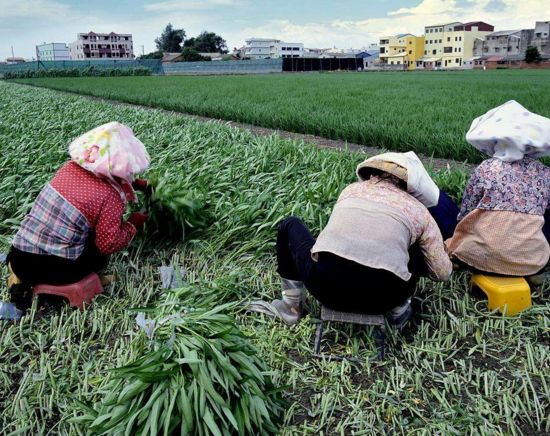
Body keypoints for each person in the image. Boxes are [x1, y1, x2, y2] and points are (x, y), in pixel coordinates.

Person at [267, 152, 453, 325]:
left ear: (373, 174)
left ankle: (291, 305)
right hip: (385, 298)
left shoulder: (350, 191)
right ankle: (399, 311)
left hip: (324, 288)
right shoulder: (419, 210)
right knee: (415, 243)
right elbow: (442, 273)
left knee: (290, 224)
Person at [6, 122, 151, 310]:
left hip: (19, 257)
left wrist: (135, 184)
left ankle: (20, 276)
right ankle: (82, 279)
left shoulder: (69, 168)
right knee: (99, 246)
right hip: (54, 270)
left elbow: (98, 178)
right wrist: (133, 224)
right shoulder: (110, 196)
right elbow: (109, 243)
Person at [445, 100, 550, 278]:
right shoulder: (544, 172)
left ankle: (469, 259)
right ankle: (531, 265)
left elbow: (467, 209)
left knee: (463, 237)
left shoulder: (486, 168)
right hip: (532, 263)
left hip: (480, 259)